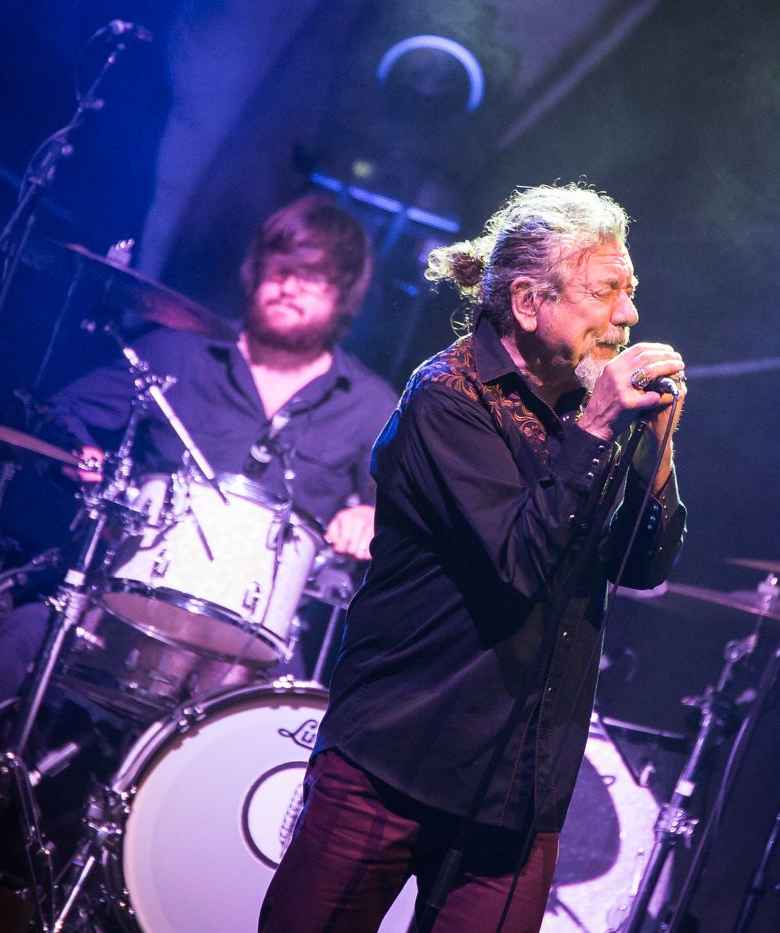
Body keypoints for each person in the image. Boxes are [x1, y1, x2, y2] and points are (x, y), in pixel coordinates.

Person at [260, 183, 688, 932]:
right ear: (527, 302)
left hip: (518, 791)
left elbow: (642, 565)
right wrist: (597, 426)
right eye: (606, 292)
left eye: (632, 291)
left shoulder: (596, 407)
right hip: (394, 764)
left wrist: (658, 450)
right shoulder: (447, 400)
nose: (629, 315)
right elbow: (521, 562)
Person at [0, 195, 397, 719]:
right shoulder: (175, 352)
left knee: (291, 738)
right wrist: (76, 449)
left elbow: (414, 515)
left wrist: (373, 514)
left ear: (345, 296)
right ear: (254, 272)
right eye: (280, 269)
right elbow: (57, 412)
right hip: (122, 605)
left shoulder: (372, 405)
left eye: (313, 278)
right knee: (22, 636)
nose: (290, 287)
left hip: (260, 646)